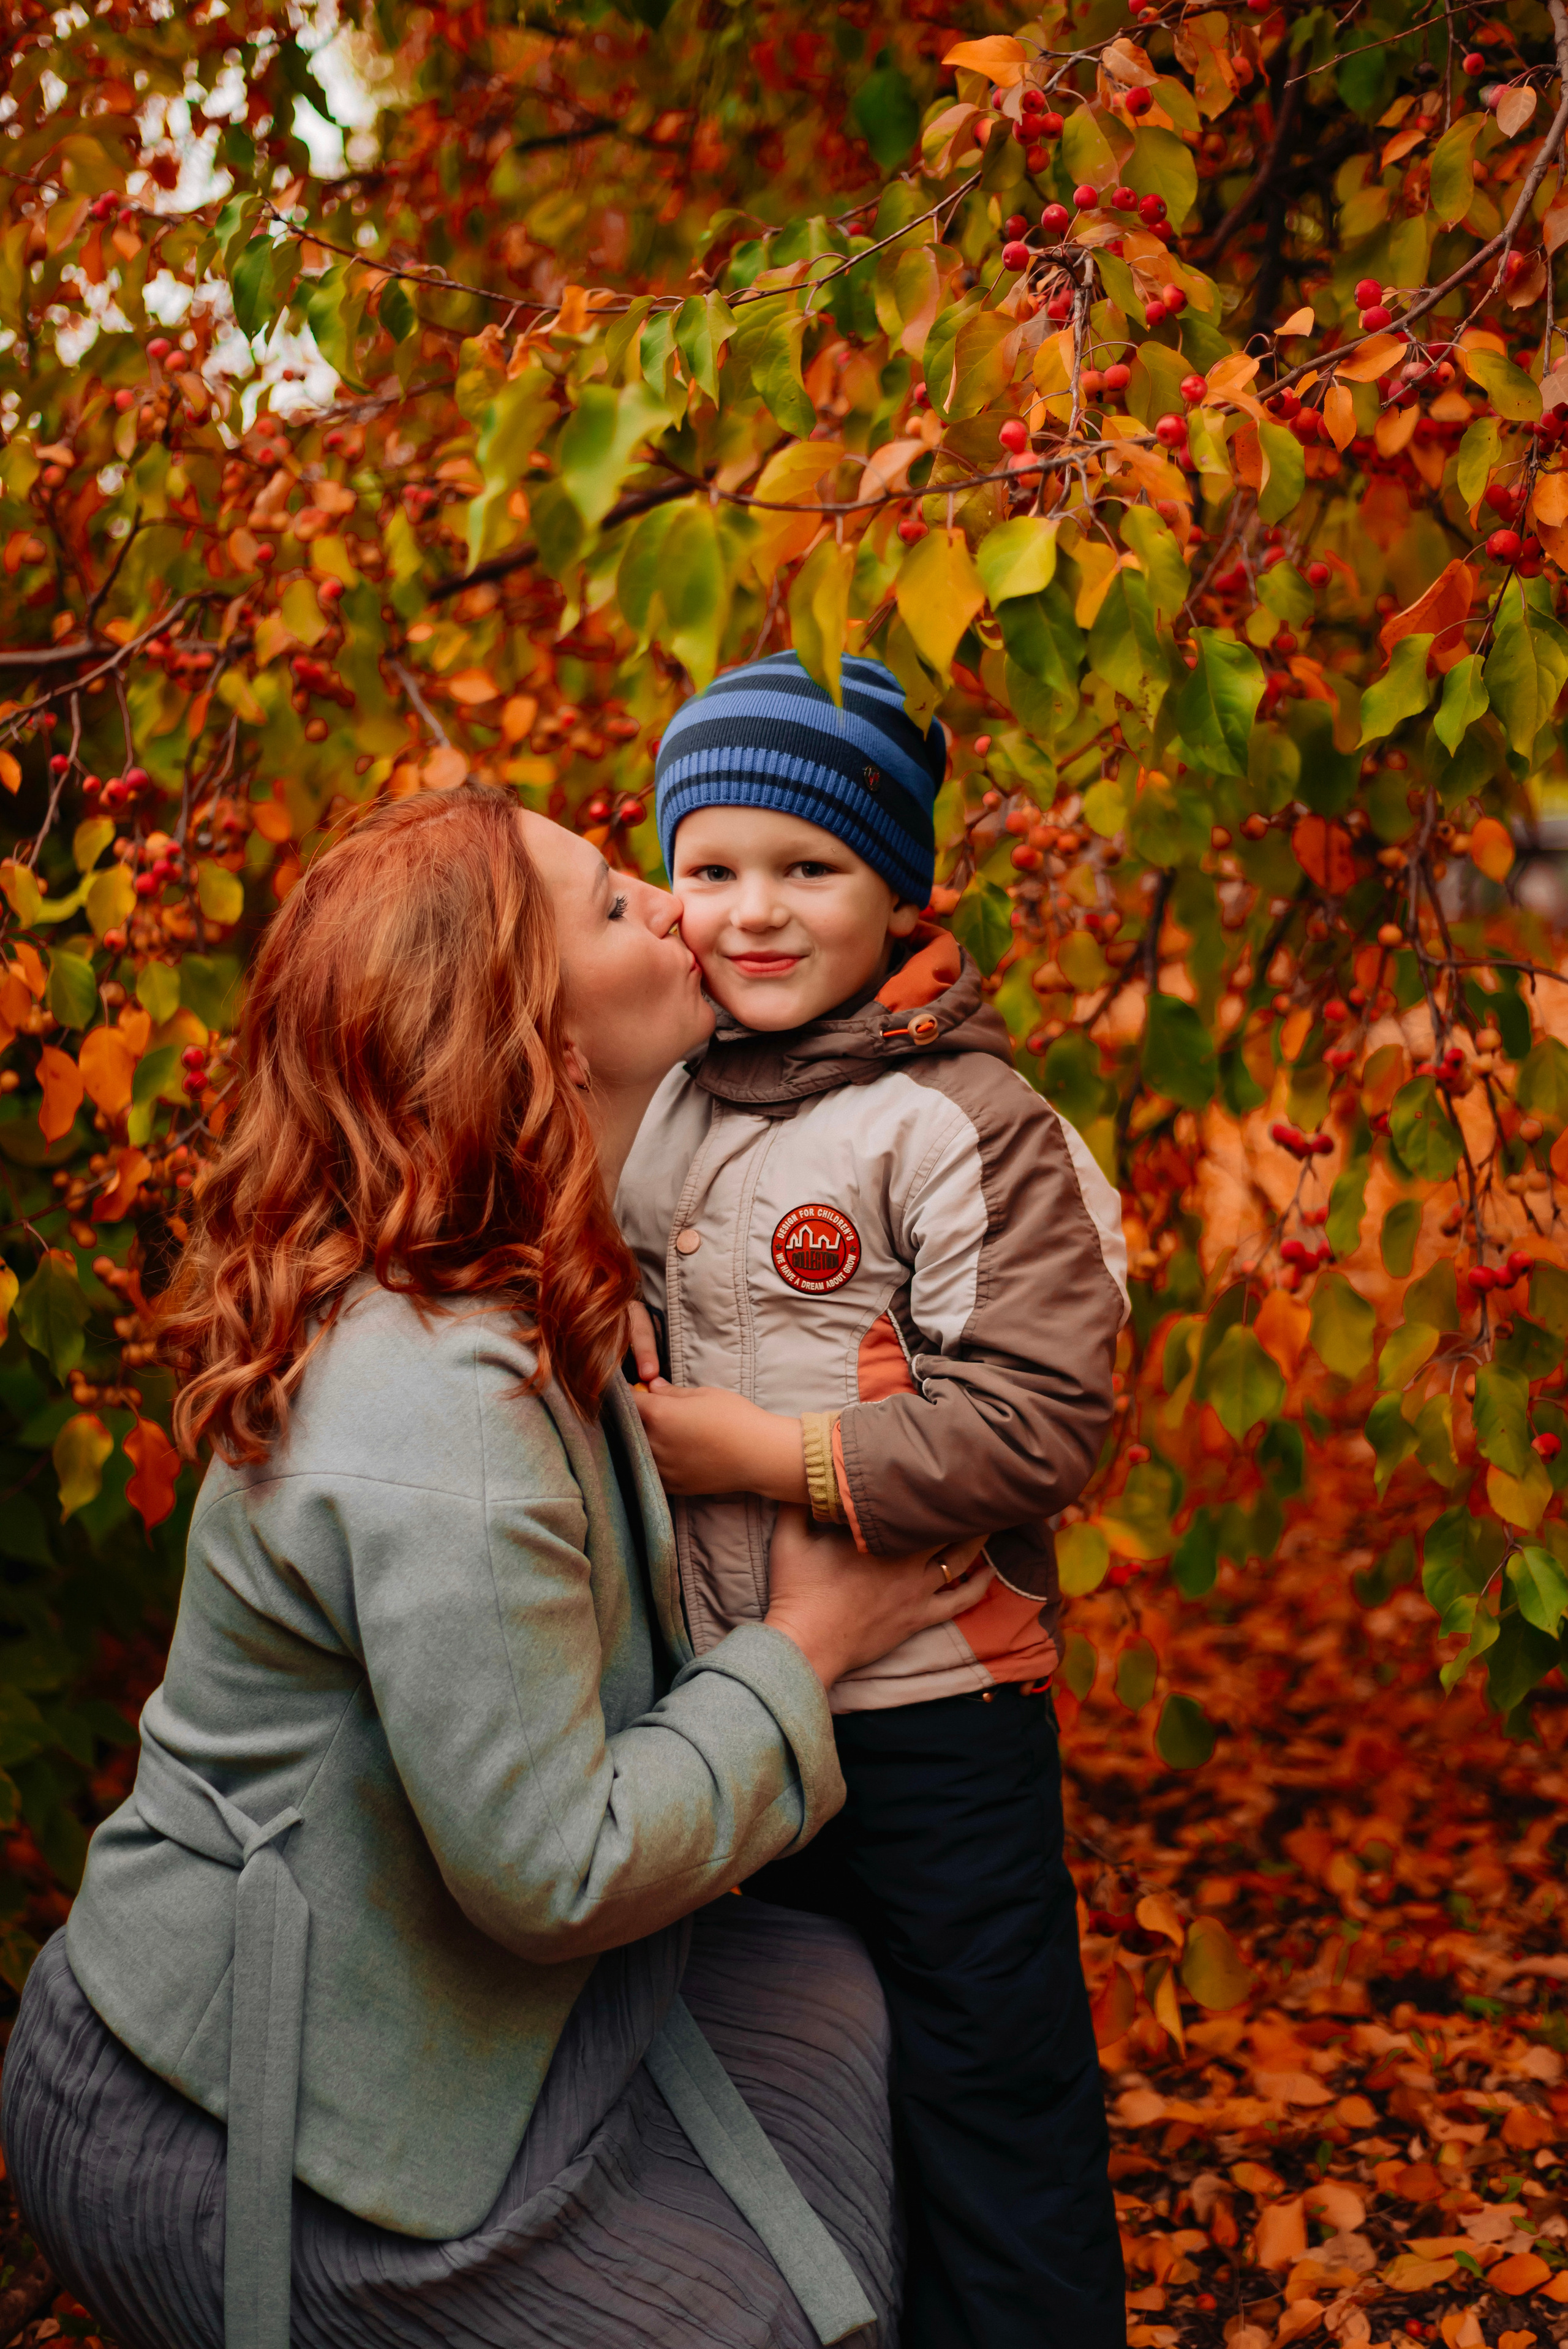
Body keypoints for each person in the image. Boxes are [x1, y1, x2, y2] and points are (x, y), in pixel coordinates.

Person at [1, 782, 991, 2349]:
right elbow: (554, 1869)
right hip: (221, 2114)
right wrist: (807, 1642)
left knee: (809, 2002)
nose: (672, 905)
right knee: (725, 2320)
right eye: (611, 906)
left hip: (411, 1998)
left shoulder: (523, 1274)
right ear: (524, 1039)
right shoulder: (438, 1409)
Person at [619, 652, 1131, 2349]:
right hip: (731, 1709)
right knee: (790, 2097)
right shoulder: (668, 1106)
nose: (752, 913)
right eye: (711, 871)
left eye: (808, 868)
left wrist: (767, 1459)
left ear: (900, 884)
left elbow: (1044, 1415)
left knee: (987, 2095)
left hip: (928, 1718)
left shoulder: (963, 1122)